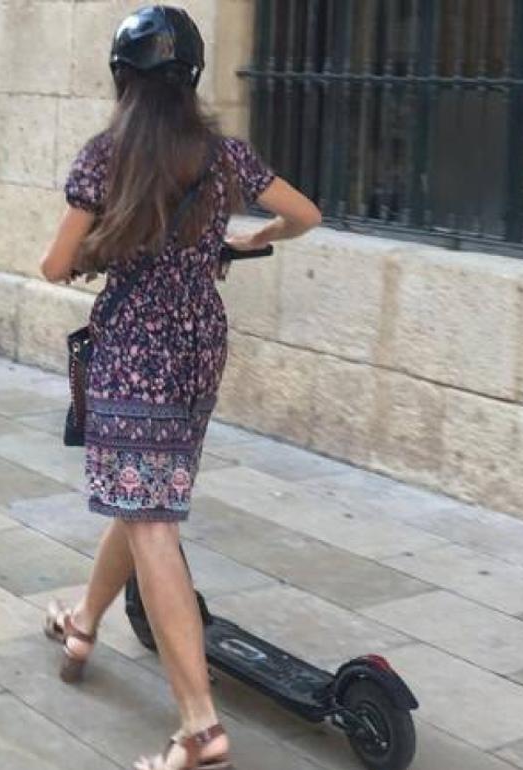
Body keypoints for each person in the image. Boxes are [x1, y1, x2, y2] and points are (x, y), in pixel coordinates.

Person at [39, 6, 321, 770]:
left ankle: (200, 727)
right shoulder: (226, 156)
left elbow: (55, 266)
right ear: (192, 78)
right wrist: (253, 237)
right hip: (201, 347)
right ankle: (85, 623)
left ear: (122, 79)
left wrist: (109, 246)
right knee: (144, 499)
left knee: (151, 518)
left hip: (134, 352)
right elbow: (305, 214)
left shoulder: (106, 159)